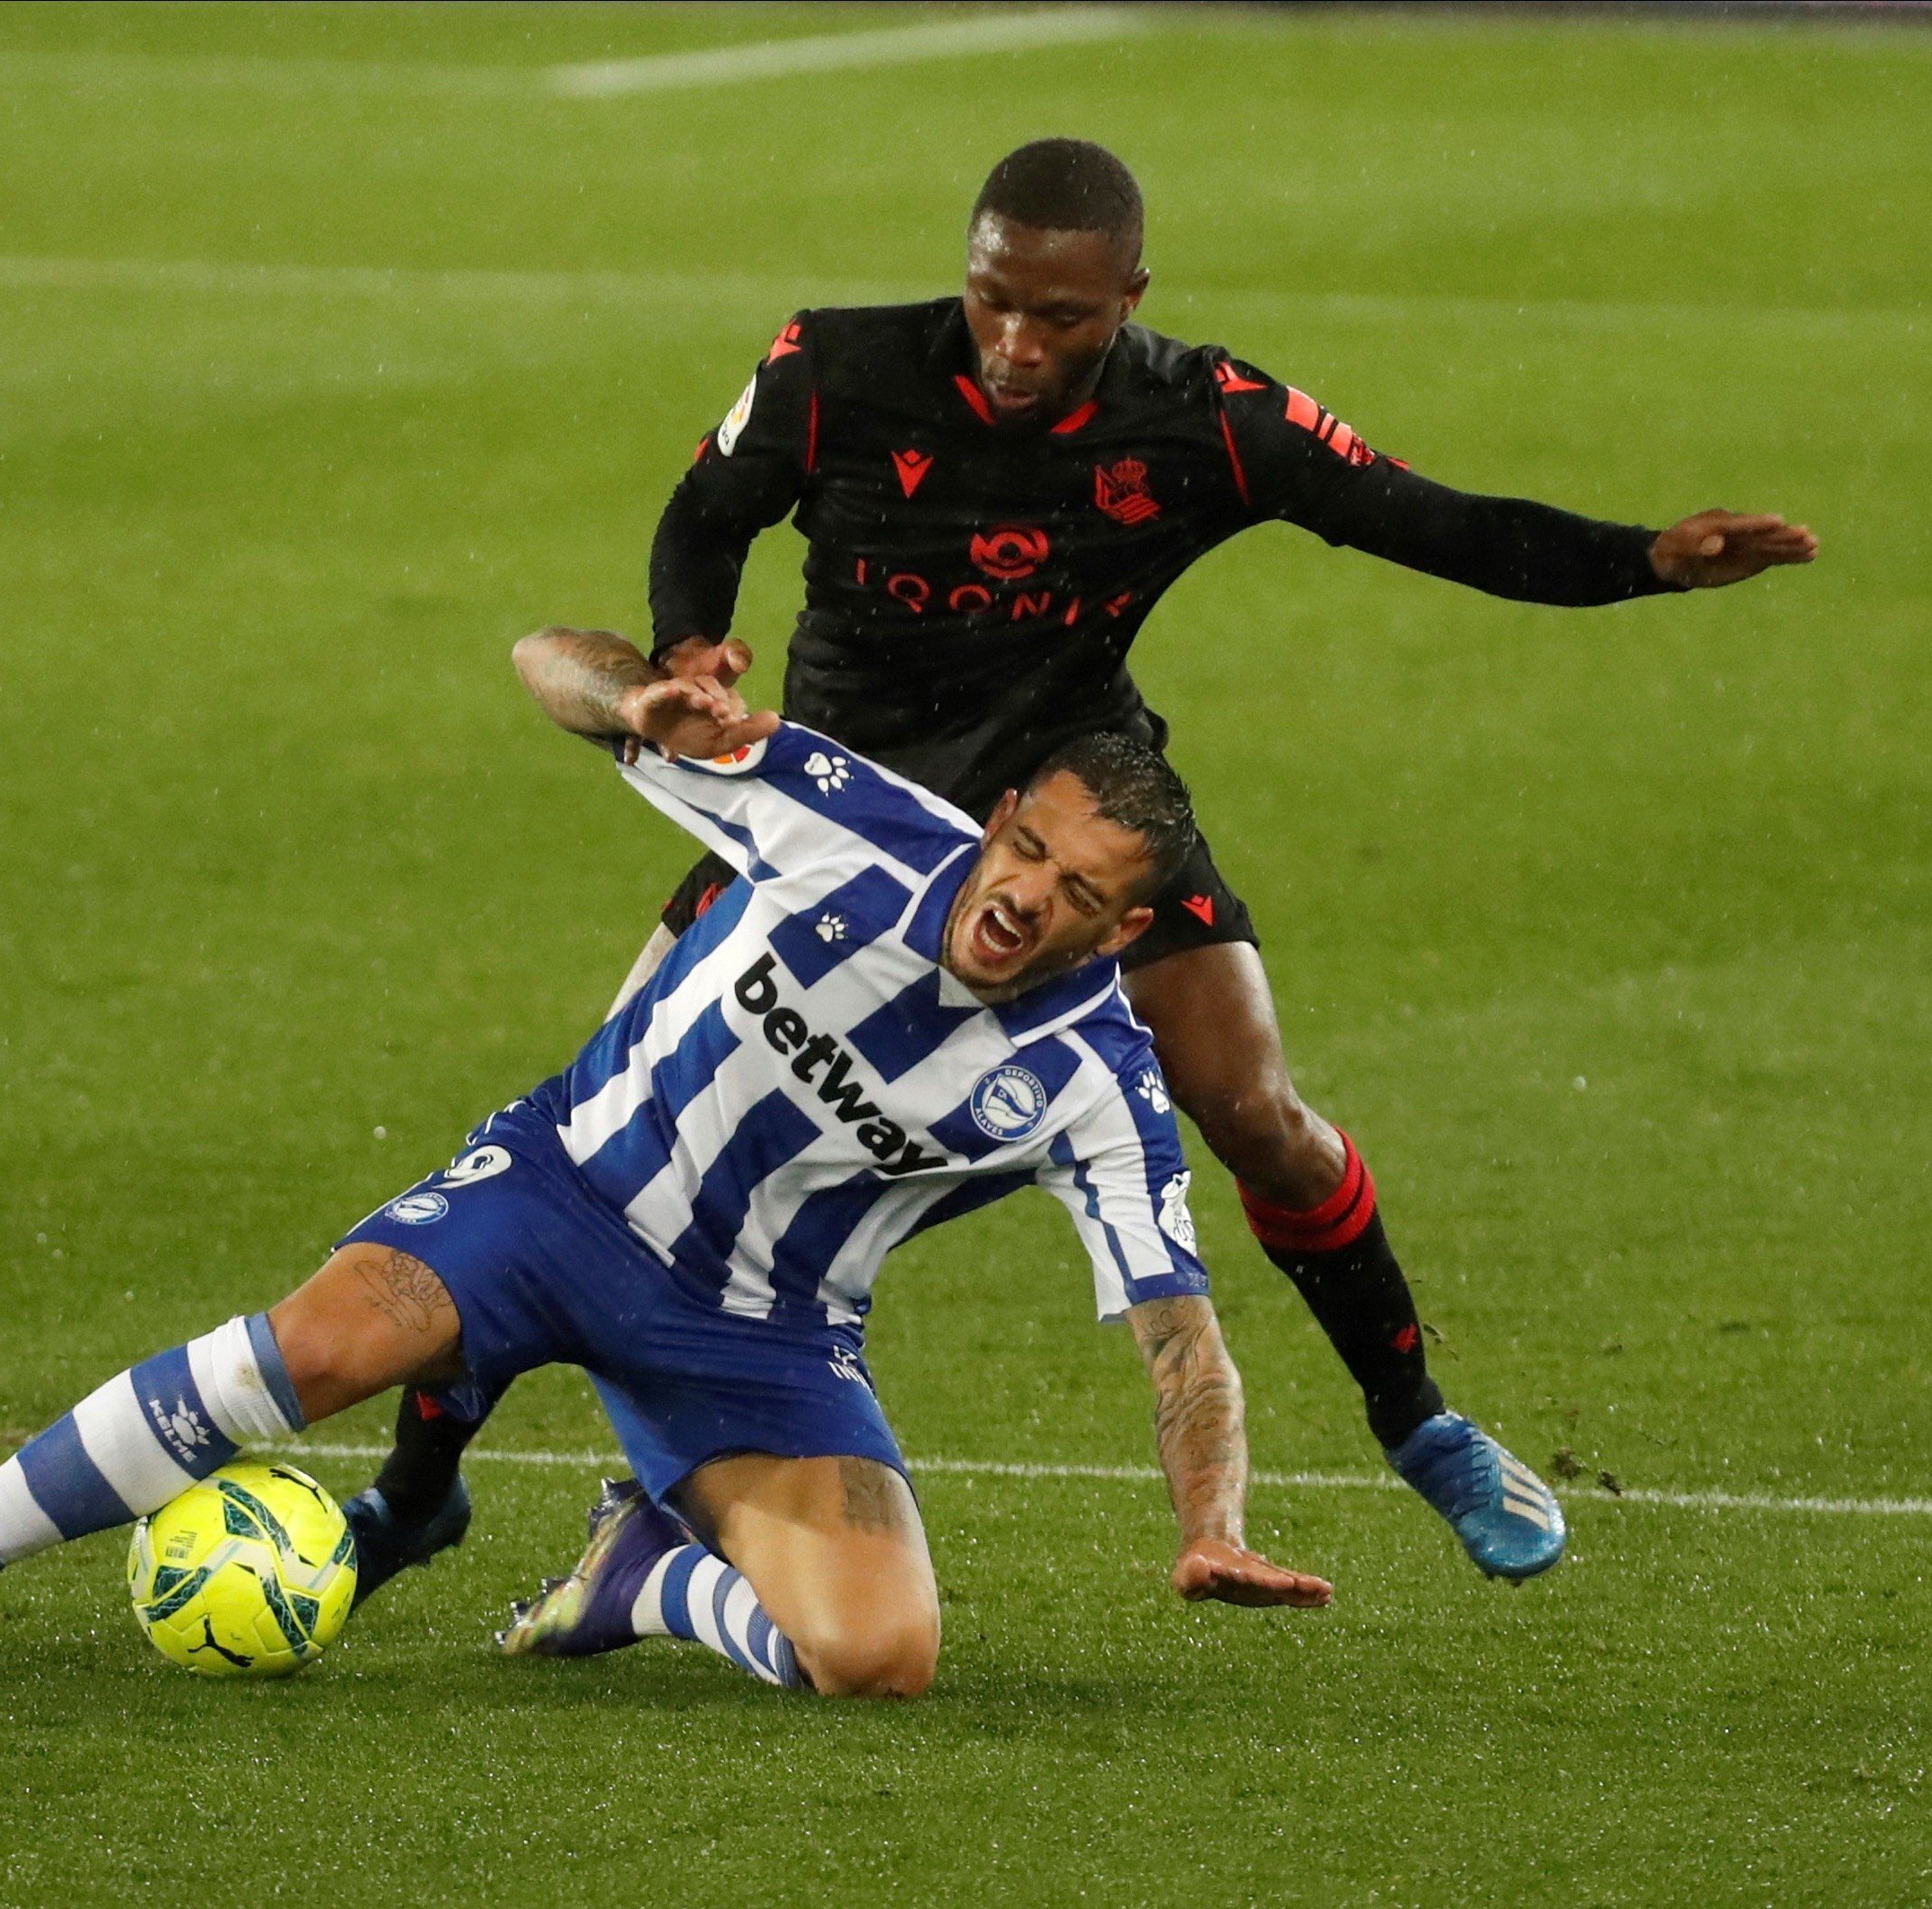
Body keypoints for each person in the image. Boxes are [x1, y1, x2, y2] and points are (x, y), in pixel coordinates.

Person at [343, 137, 1818, 1596]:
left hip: (1078, 819)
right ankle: (418, 1495)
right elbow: (703, 516)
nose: (1015, 341)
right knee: (597, 1157)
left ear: (1128, 300)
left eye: (1059, 318)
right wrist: (685, 646)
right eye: (994, 300)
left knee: (1256, 1108)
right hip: (836, 829)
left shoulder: (1207, 416)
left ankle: (1417, 1423)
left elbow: (1428, 522)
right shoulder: (835, 367)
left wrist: (1646, 560)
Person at [0, 629, 1331, 1694]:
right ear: (996, 822)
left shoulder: (1094, 1085)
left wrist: (1209, 1519)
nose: (1024, 895)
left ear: (1122, 932)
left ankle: (650, 1576)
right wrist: (634, 702)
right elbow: (542, 663)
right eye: (1025, 848)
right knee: (310, 1350)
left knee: (879, 1658)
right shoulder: (842, 818)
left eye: (1075, 892)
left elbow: (1177, 1329)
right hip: (558, 1196)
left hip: (757, 1341)